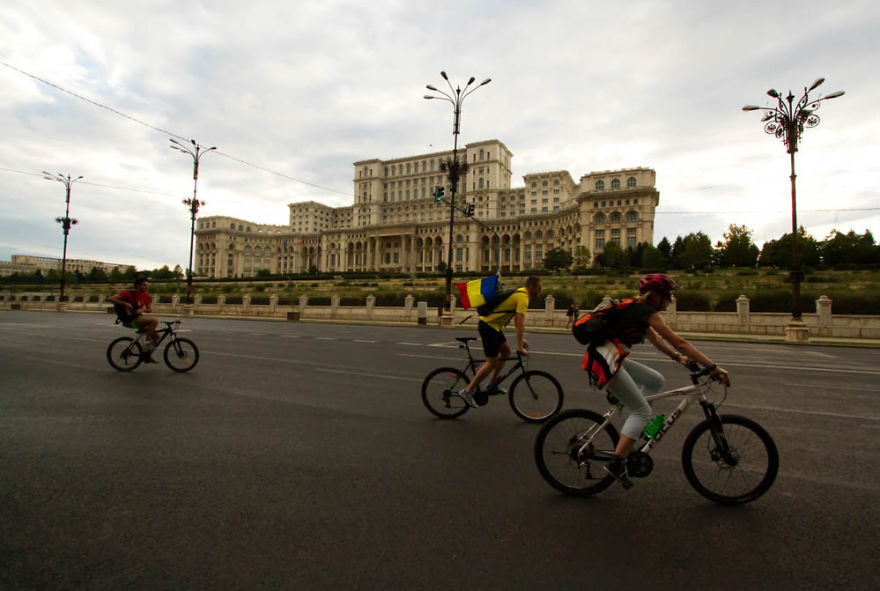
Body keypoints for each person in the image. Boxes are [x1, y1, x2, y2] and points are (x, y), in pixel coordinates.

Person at [600, 273, 730, 489]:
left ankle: (631, 424)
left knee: (655, 380)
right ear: (654, 296)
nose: (669, 301)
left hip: (612, 358)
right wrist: (713, 367)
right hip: (606, 362)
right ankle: (616, 463)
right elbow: (680, 342)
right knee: (643, 412)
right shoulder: (644, 311)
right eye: (667, 296)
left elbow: (658, 341)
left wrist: (678, 359)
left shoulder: (638, 310)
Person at [458, 276, 543, 407]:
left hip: (494, 327)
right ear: (531, 286)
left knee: (506, 352)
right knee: (492, 362)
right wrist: (520, 347)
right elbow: (520, 323)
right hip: (488, 326)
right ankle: (468, 391)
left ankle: (492, 385)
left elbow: (516, 320)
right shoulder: (523, 297)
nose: (540, 291)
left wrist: (522, 339)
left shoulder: (519, 292)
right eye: (539, 287)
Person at [107, 276, 160, 362]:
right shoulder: (128, 293)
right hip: (129, 319)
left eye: (147, 285)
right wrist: (125, 303)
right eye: (144, 285)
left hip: (138, 318)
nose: (146, 287)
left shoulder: (146, 296)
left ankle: (146, 355)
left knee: (156, 337)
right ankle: (146, 346)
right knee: (154, 321)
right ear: (137, 285)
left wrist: (142, 309)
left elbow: (149, 309)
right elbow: (110, 298)